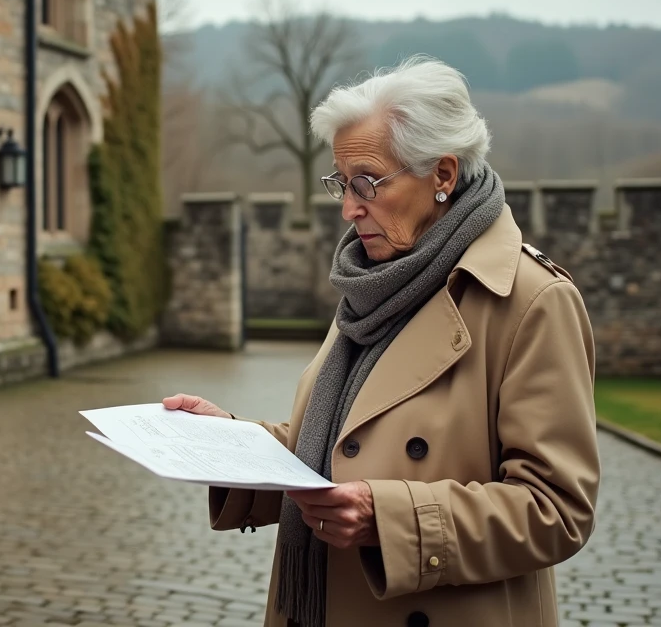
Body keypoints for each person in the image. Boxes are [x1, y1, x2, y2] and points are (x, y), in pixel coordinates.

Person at [164, 56, 601, 627]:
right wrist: (229, 445)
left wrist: (391, 520)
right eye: (341, 184)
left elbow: (556, 509)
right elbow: (335, 448)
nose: (348, 209)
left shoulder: (533, 301)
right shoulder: (373, 284)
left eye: (367, 182)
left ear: (442, 175)